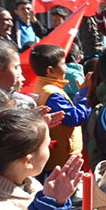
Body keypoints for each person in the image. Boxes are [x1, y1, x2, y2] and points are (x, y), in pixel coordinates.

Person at [30, 44, 92, 175]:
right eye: (63, 64)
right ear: (50, 71)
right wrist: (86, 94)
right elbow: (75, 117)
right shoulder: (51, 93)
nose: (66, 68)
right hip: (60, 162)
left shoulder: (44, 86)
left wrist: (81, 94)